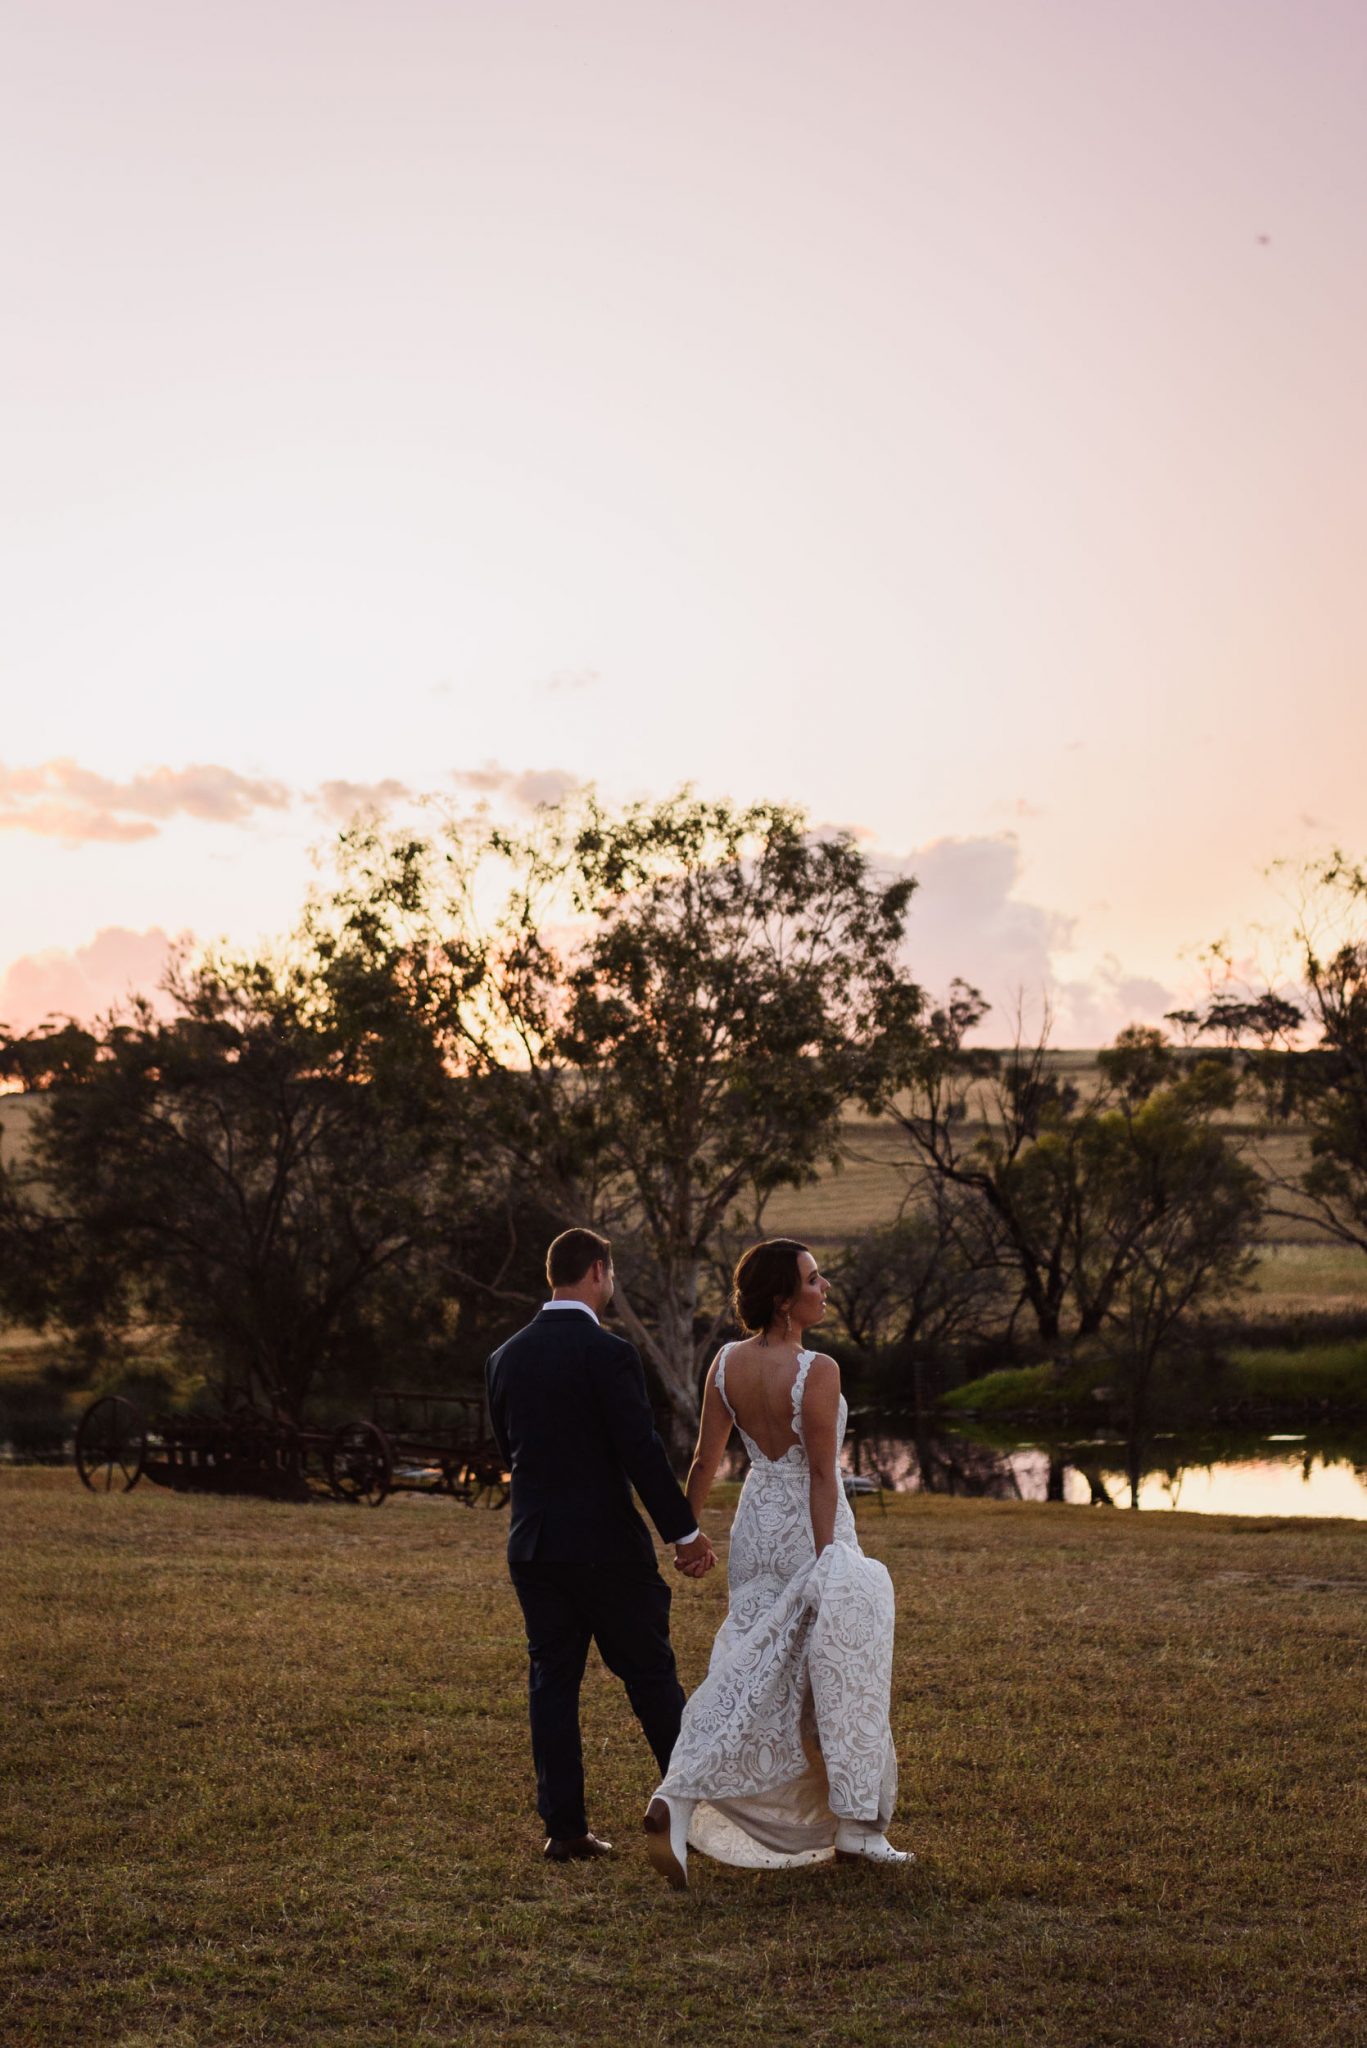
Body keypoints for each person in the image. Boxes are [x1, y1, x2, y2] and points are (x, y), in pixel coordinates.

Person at [643, 1238, 908, 1886]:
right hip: (808, 1529)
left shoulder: (724, 1362)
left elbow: (706, 1460)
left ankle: (679, 1796)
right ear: (784, 1301)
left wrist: (684, 1534)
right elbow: (822, 1474)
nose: (824, 1289)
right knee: (833, 1667)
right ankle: (855, 1828)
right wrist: (829, 1563)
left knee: (748, 1657)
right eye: (813, 1281)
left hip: (754, 1529)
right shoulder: (816, 1371)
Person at [486, 1227, 716, 1863]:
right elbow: (639, 1453)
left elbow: (510, 1453)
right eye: (610, 1275)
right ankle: (686, 1819)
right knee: (650, 1677)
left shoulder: (504, 1356)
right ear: (597, 1272)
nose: (610, 1285)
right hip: (607, 1549)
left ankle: (565, 1831)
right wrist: (686, 1534)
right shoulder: (608, 1353)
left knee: (552, 1683)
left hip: (533, 1546)